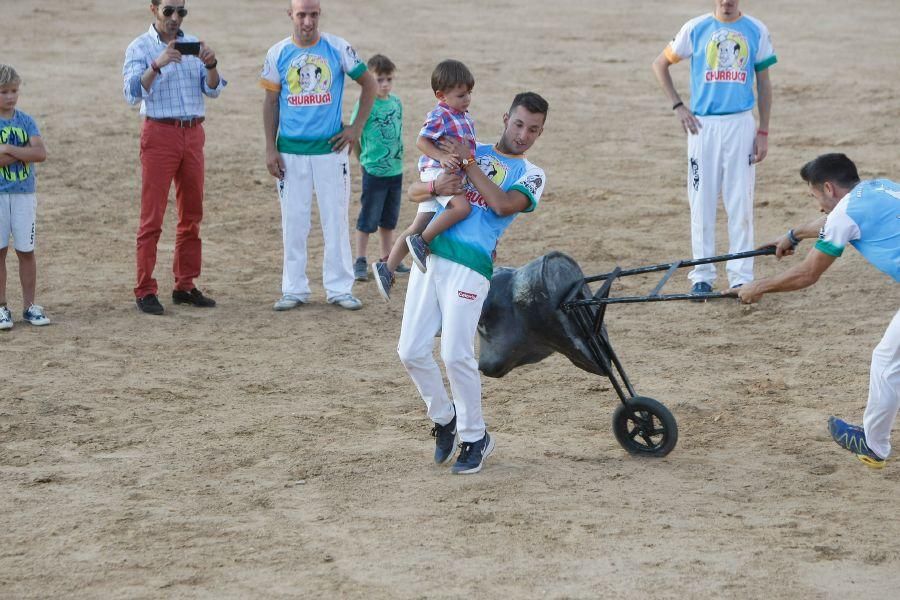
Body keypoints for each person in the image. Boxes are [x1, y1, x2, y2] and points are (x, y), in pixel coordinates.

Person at [388, 92, 549, 474]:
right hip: (430, 253)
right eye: (519, 124)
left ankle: (476, 437)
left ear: (541, 133)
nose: (524, 134)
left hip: (472, 266)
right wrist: (434, 188)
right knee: (409, 350)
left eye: (534, 130)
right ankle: (444, 418)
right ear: (505, 117)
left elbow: (501, 204)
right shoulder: (465, 143)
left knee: (456, 353)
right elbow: (416, 189)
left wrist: (470, 161)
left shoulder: (532, 174)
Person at [734, 153, 899, 469]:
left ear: (829, 188)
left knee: (887, 360)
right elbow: (831, 220)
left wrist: (759, 287)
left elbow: (807, 274)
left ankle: (874, 445)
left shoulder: (845, 216)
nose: (818, 204)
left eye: (816, 196)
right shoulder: (880, 188)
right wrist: (794, 234)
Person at [652, 0, 775, 295]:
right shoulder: (695, 28)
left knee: (740, 202)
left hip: (741, 124)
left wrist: (763, 130)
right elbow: (660, 64)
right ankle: (702, 274)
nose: (727, 1)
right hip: (702, 126)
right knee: (701, 200)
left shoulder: (756, 30)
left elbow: (764, 82)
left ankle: (740, 274)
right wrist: (678, 106)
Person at [261, 0, 377, 312]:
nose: (308, 21)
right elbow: (271, 102)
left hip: (330, 151)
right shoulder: (277, 53)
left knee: (335, 219)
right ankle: (294, 288)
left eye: (313, 14)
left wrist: (356, 128)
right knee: (294, 222)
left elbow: (370, 83)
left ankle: (339, 288)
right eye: (302, 14)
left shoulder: (338, 48)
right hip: (290, 152)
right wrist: (271, 148)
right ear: (291, 15)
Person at [123, 0, 224, 315]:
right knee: (152, 217)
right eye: (169, 11)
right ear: (153, 9)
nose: (175, 17)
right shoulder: (140, 47)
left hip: (193, 132)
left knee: (191, 213)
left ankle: (185, 284)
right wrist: (157, 64)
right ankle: (144, 288)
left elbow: (213, 89)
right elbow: (130, 92)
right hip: (160, 133)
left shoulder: (192, 44)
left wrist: (211, 64)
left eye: (181, 11)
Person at [372, 59, 477, 300]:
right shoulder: (440, 114)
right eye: (461, 95)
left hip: (446, 173)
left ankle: (386, 268)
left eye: (469, 93)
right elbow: (421, 141)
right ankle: (422, 242)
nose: (467, 99)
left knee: (418, 223)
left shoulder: (463, 115)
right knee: (461, 208)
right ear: (441, 95)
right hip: (437, 173)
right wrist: (441, 156)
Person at [349, 54, 409, 282]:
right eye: (379, 80)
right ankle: (360, 260)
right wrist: (363, 161)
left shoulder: (396, 102)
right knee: (368, 217)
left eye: (388, 79)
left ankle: (387, 257)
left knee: (388, 218)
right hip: (373, 170)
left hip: (395, 169)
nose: (384, 84)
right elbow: (355, 135)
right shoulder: (366, 104)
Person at [0, 64, 49, 330]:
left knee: (25, 250)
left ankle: (30, 306)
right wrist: (23, 151)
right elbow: (31, 153)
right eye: (4, 92)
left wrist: (8, 148)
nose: (10, 97)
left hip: (23, 194)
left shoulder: (26, 120)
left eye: (14, 91)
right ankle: (1, 307)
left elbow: (40, 154)